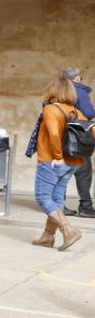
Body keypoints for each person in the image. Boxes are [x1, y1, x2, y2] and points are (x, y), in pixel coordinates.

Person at [31, 74, 86, 250]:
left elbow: (54, 134)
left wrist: (57, 156)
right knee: (56, 198)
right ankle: (48, 236)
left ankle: (68, 230)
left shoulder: (51, 109)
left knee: (43, 197)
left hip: (52, 160)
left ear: (53, 90)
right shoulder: (77, 111)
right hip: (74, 162)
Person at [62, 67, 94, 218]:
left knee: (61, 172)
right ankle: (86, 207)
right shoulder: (79, 90)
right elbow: (88, 113)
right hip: (78, 135)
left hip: (60, 135)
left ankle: (58, 204)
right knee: (84, 171)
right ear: (76, 78)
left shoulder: (57, 90)